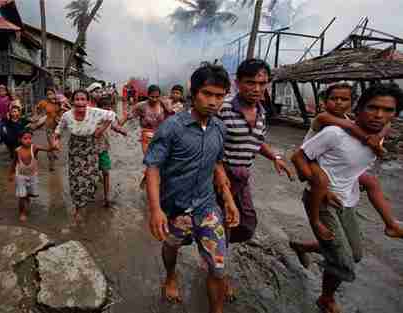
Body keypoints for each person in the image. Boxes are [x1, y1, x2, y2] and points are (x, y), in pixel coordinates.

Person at [290, 83, 403, 313]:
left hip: (348, 200)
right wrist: (318, 183)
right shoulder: (334, 132)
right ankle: (326, 299)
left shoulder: (379, 135)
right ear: (359, 108)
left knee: (356, 254)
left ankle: (303, 246)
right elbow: (299, 157)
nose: (379, 115)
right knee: (343, 262)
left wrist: (379, 135)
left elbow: (385, 125)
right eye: (373, 108)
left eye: (388, 110)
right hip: (322, 199)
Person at [144, 63, 239, 313]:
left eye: (219, 96)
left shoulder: (220, 128)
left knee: (218, 268)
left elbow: (217, 163)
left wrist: (228, 198)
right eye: (207, 94)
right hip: (175, 208)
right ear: (194, 93)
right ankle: (171, 276)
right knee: (171, 246)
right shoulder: (172, 127)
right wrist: (155, 209)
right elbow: (152, 167)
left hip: (207, 206)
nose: (213, 102)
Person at [215, 59, 295, 300]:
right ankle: (218, 272)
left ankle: (210, 242)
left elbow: (257, 140)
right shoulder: (224, 108)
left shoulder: (261, 111)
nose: (257, 88)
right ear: (237, 83)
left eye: (262, 83)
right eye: (251, 83)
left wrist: (275, 157)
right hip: (220, 177)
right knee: (225, 227)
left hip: (242, 178)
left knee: (247, 226)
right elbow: (209, 144)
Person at [53, 89, 116, 220]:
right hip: (75, 150)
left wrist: (100, 130)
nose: (80, 102)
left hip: (91, 149)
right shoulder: (67, 115)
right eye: (77, 99)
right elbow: (59, 129)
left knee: (91, 179)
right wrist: (56, 140)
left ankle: (86, 198)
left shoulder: (94, 112)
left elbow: (111, 115)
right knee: (76, 180)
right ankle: (78, 208)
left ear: (88, 101)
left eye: (83, 99)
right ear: (72, 101)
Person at [129, 85, 174, 188]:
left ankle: (149, 178)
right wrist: (119, 125)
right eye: (152, 97)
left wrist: (166, 106)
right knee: (150, 160)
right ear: (147, 95)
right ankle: (150, 181)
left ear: (160, 96)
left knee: (161, 161)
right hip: (146, 134)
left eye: (157, 97)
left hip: (161, 135)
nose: (154, 99)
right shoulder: (141, 106)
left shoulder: (164, 104)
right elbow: (129, 115)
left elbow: (171, 116)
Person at [9, 130, 55, 222]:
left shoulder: (34, 148)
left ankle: (27, 197)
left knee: (30, 193)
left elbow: (48, 149)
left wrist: (53, 144)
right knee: (22, 196)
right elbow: (14, 163)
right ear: (20, 139)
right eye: (25, 138)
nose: (28, 140)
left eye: (30, 138)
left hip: (32, 175)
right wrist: (11, 173)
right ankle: (22, 213)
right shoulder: (17, 151)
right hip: (20, 176)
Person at [96, 97, 128, 207]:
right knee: (93, 172)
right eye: (105, 107)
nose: (108, 109)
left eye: (109, 107)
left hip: (103, 149)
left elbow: (115, 126)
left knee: (106, 171)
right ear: (99, 108)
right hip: (91, 150)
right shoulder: (93, 117)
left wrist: (122, 130)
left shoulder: (110, 117)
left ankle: (106, 198)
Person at [33, 87, 61, 171]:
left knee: (56, 144)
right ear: (46, 95)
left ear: (55, 94)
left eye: (51, 94)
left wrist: (59, 105)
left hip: (58, 127)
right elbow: (37, 108)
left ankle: (54, 154)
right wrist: (36, 116)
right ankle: (51, 163)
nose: (50, 96)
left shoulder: (58, 102)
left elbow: (63, 111)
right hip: (49, 127)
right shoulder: (44, 103)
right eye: (48, 94)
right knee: (51, 146)